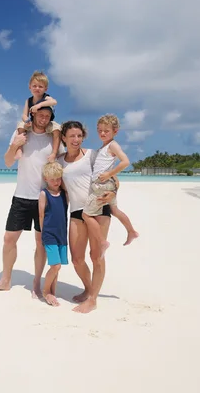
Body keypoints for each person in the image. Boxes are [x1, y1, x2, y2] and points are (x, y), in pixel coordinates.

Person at [0, 105, 61, 298]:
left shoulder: (53, 139)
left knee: (40, 242)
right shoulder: (21, 133)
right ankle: (5, 280)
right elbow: (8, 162)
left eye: (47, 116)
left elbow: (64, 162)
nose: (43, 118)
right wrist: (13, 145)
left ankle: (36, 283)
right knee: (9, 239)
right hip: (21, 196)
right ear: (33, 114)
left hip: (44, 198)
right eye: (40, 115)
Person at [77, 114, 138, 313]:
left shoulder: (112, 146)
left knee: (88, 218)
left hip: (102, 186)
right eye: (100, 131)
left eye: (107, 131)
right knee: (115, 209)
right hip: (104, 185)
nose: (103, 133)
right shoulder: (102, 149)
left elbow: (125, 161)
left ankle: (92, 299)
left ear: (115, 132)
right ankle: (131, 231)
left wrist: (109, 175)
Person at [56, 121, 115, 313]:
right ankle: (89, 289)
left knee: (96, 256)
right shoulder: (59, 161)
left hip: (98, 208)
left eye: (79, 136)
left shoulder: (92, 155)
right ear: (63, 137)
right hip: (76, 211)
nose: (76, 140)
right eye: (71, 136)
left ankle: (93, 299)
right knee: (77, 259)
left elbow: (112, 178)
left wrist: (113, 193)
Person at [38, 162, 69, 307]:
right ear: (46, 179)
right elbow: (41, 216)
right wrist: (42, 235)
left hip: (62, 235)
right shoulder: (44, 194)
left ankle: (53, 290)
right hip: (49, 234)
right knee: (55, 265)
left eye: (58, 179)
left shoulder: (64, 194)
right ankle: (45, 291)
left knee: (58, 266)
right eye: (53, 179)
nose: (56, 182)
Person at [14, 71, 62, 163]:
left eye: (40, 86)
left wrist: (38, 106)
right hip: (33, 122)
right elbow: (24, 114)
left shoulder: (46, 97)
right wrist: (26, 120)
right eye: (34, 86)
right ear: (30, 87)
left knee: (57, 129)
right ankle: (19, 149)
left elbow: (54, 102)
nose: (37, 88)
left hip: (48, 123)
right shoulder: (29, 100)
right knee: (20, 125)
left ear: (45, 89)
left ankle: (54, 152)